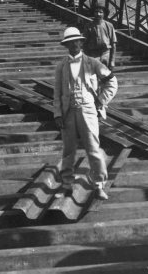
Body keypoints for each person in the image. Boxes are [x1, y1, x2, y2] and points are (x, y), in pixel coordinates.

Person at [52, 26, 118, 200]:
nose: (73, 45)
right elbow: (57, 93)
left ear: (81, 42)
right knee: (68, 151)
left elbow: (112, 82)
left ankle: (98, 185)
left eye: (76, 42)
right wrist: (57, 114)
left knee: (93, 148)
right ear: (66, 46)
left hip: (88, 111)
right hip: (67, 113)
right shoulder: (61, 66)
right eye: (69, 43)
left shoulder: (93, 63)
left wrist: (100, 101)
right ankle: (66, 185)